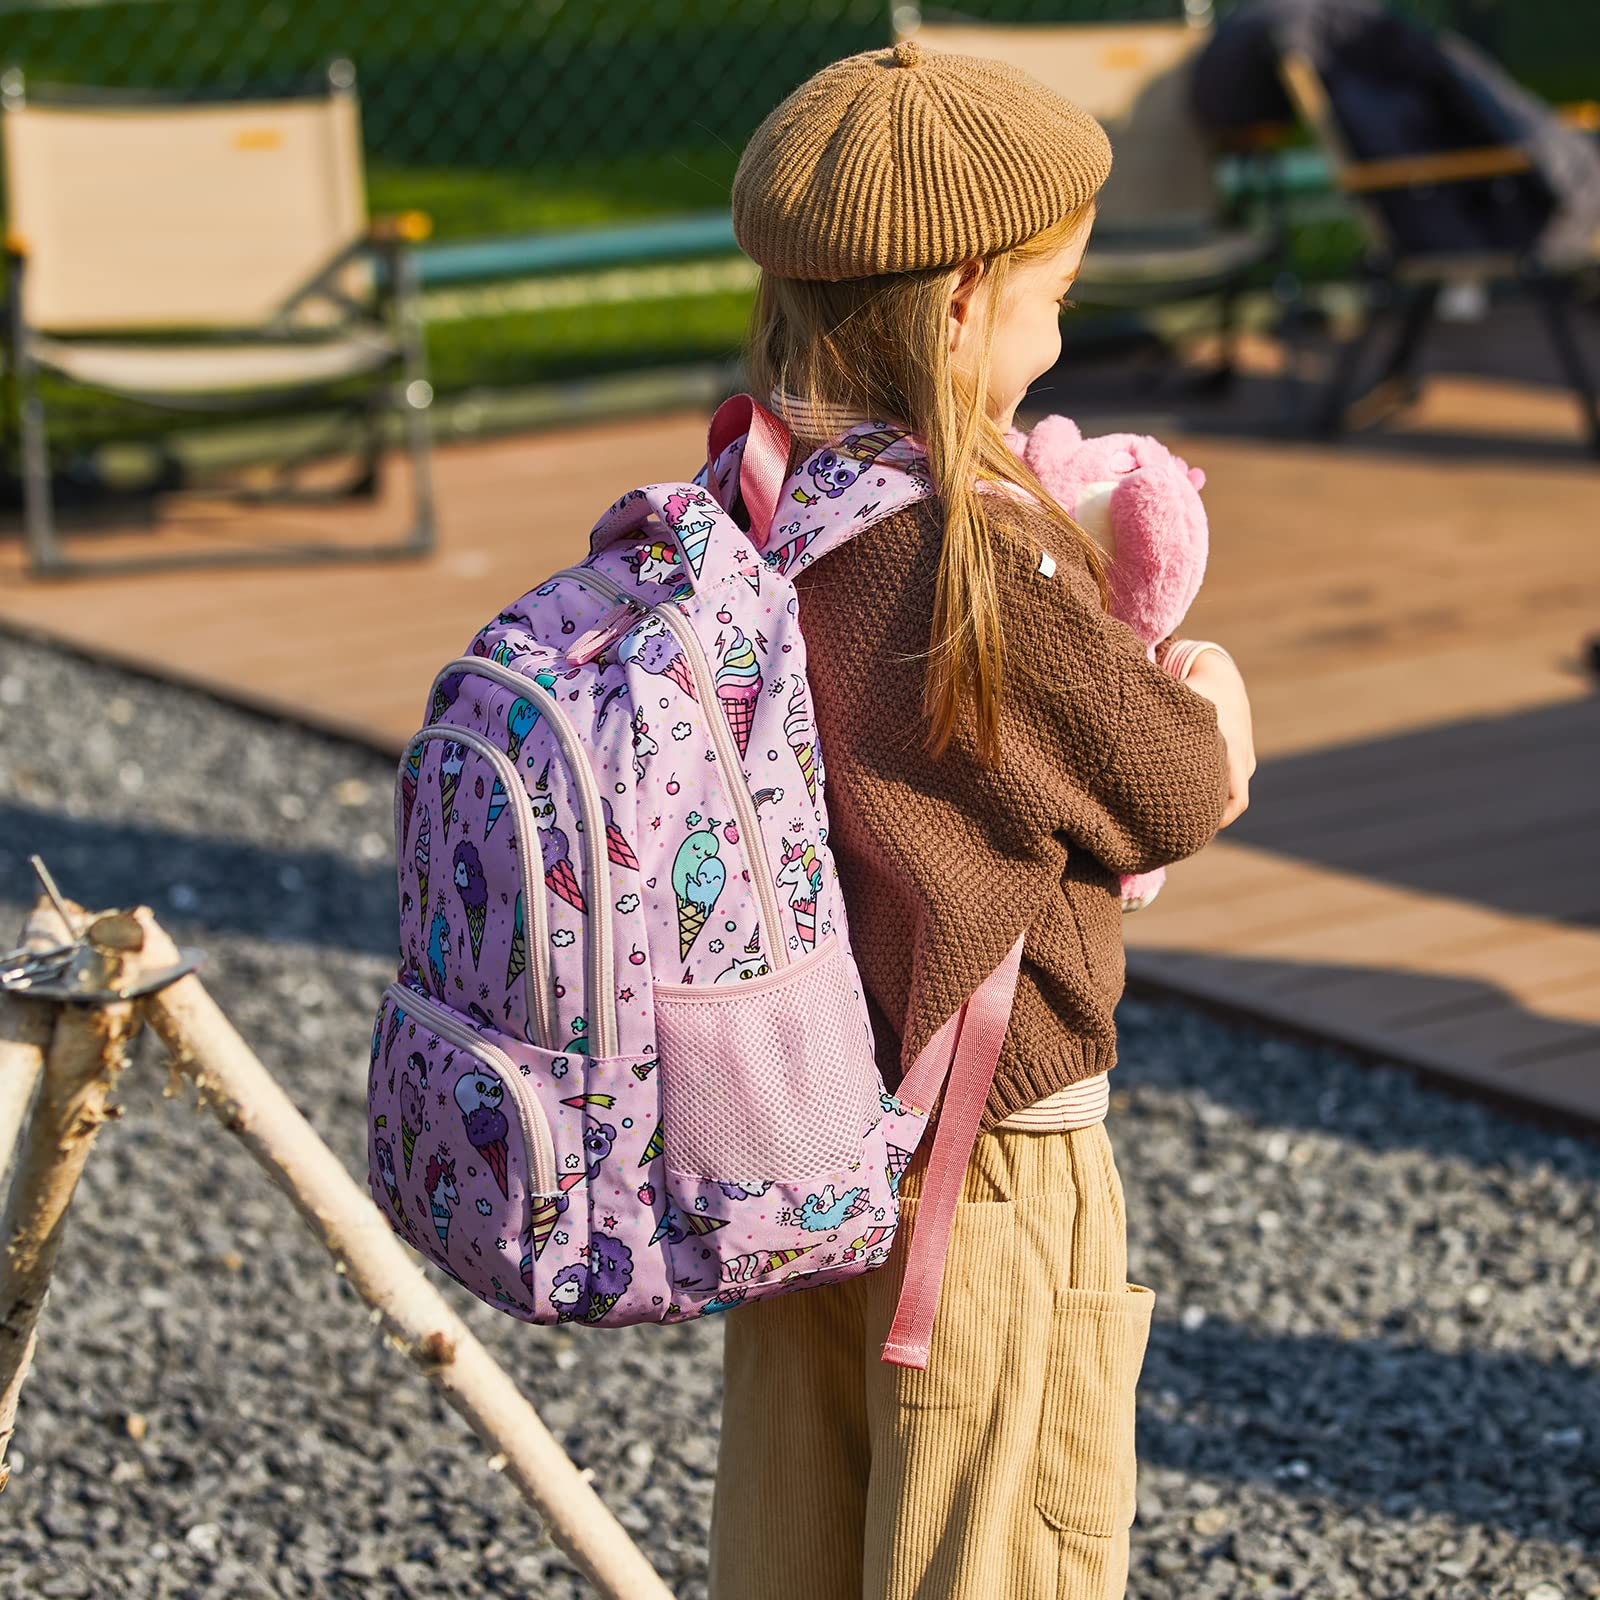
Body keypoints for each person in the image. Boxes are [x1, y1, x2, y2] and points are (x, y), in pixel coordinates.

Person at [709, 40, 1257, 1600]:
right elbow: (1169, 786)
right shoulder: (975, 560)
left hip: (797, 1121)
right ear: (961, 304)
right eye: (1054, 295)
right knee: (998, 1544)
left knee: (800, 1534)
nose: (1063, 329)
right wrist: (1214, 700)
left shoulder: (758, 490)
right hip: (986, 1147)